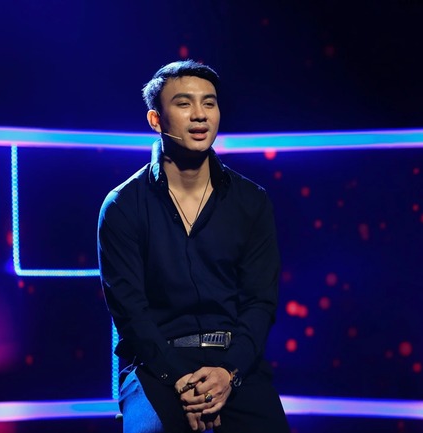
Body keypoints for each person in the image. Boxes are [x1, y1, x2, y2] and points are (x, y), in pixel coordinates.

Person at [97, 59, 290, 433]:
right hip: (156, 365)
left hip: (234, 363)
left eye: (209, 103)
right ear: (156, 120)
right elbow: (130, 311)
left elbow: (260, 301)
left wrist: (227, 372)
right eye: (184, 103)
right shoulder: (122, 205)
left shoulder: (251, 201)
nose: (200, 114)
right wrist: (179, 381)